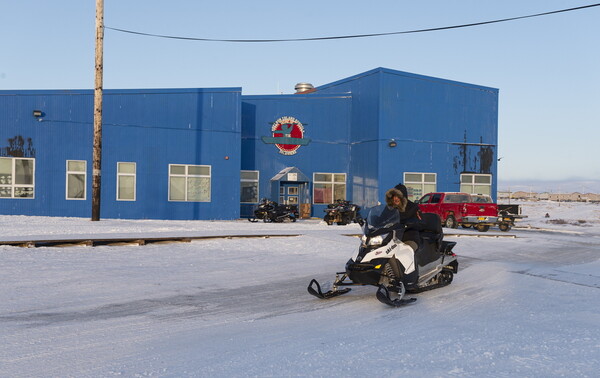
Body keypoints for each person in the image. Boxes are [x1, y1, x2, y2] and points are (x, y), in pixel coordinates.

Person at [385, 185, 422, 251]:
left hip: (409, 237)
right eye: (394, 196)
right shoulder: (389, 208)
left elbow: (420, 221)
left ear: (403, 197)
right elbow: (382, 218)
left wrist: (411, 222)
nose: (396, 198)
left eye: (398, 196)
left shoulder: (413, 207)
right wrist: (374, 219)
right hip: (392, 237)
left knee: (406, 253)